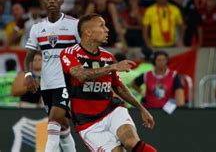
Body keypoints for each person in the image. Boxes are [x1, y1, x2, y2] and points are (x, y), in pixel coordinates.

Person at [60, 14, 157, 151]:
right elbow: (81, 75)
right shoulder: (69, 53)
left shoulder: (108, 56)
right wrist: (112, 67)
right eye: (102, 26)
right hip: (87, 122)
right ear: (88, 32)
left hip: (112, 110)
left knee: (131, 142)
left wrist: (141, 108)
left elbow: (119, 88)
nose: (107, 30)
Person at [24, 0, 79, 151]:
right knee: (62, 127)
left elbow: (85, 51)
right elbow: (29, 56)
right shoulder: (37, 27)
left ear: (61, 1)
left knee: (53, 122)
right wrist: (28, 74)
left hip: (67, 82)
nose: (52, 1)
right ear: (43, 2)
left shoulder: (74, 25)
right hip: (47, 84)